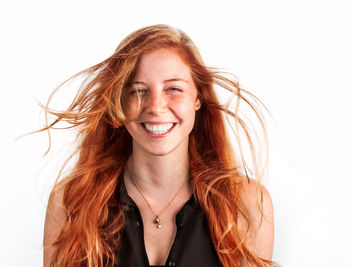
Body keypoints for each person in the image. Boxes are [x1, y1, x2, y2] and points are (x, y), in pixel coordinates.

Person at [42, 24, 278, 267]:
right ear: (120, 102)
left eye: (173, 89)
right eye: (138, 90)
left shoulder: (246, 204)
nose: (155, 106)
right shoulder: (70, 203)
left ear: (198, 97)